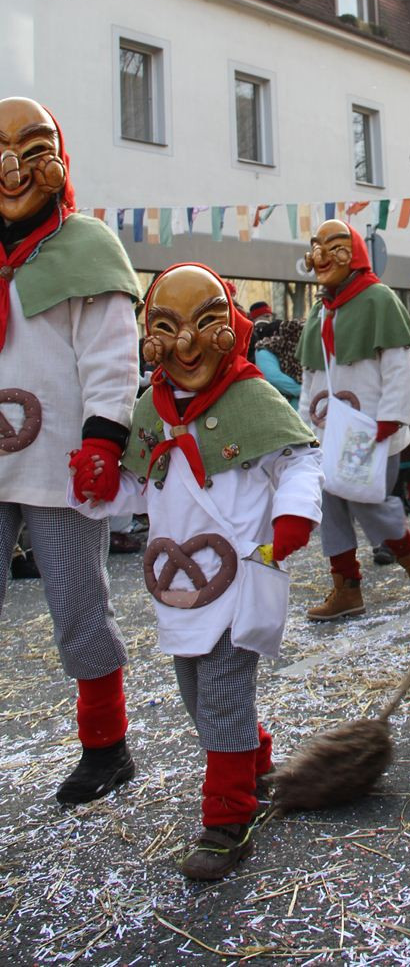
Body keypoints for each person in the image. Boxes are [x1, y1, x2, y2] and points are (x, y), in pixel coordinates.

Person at [72, 264, 323, 879]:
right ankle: (256, 761)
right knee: (199, 692)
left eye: (202, 323)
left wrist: (292, 520)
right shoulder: (149, 408)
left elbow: (298, 463)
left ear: (228, 325)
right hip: (176, 584)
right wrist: (101, 481)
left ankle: (227, 819)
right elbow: (142, 488)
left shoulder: (252, 395)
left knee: (222, 689)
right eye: (167, 327)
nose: (185, 344)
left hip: (239, 575)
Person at [0, 96, 142, 804]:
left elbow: (113, 355)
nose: (14, 168)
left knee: (78, 602)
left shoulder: (86, 245)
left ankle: (106, 745)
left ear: (58, 160)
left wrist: (103, 440)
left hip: (60, 461)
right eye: (1, 153)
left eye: (32, 149)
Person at [298, 221, 410, 619]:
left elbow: (398, 364)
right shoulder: (319, 312)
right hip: (328, 431)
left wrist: (390, 417)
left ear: (351, 253)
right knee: (331, 508)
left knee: (369, 503)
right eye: (316, 248)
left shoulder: (379, 299)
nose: (321, 257)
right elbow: (311, 373)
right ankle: (346, 588)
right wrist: (305, 423)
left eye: (332, 247)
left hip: (369, 429)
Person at [254, 318, 303, 408]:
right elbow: (273, 378)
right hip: (281, 405)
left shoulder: (287, 349)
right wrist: (304, 390)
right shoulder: (264, 350)